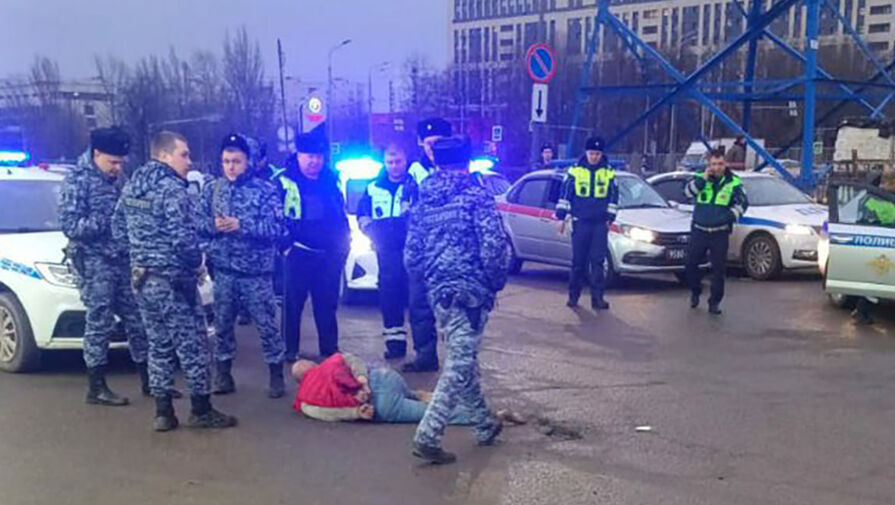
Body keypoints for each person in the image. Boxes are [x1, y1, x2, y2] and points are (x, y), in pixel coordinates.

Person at [113, 131, 237, 432]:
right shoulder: (172, 190)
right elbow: (183, 241)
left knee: (158, 345)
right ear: (164, 155)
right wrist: (197, 263)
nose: (189, 161)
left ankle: (163, 412)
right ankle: (200, 409)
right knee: (193, 344)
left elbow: (117, 231)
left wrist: (141, 254)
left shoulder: (132, 187)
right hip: (173, 281)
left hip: (143, 280)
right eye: (184, 154)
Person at [405, 136, 511, 465]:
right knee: (460, 362)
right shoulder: (477, 195)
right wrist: (495, 281)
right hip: (471, 293)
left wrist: (430, 279)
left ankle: (484, 423)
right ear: (466, 163)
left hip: (439, 292)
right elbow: (494, 247)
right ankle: (428, 434)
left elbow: (411, 256)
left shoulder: (423, 199)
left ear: (436, 163)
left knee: (462, 357)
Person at [59, 127, 148, 406]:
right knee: (100, 322)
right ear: (96, 154)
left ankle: (150, 381)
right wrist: (107, 219)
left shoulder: (119, 178)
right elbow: (71, 226)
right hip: (94, 262)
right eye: (112, 162)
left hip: (122, 260)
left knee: (138, 319)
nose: (117, 168)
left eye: (120, 162)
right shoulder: (77, 180)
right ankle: (96, 387)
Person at [197, 134, 286, 398]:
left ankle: (276, 374)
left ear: (248, 161)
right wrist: (213, 227)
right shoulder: (213, 189)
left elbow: (278, 229)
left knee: (267, 325)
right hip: (224, 271)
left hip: (256, 273)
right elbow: (197, 224)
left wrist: (242, 226)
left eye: (236, 161)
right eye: (226, 161)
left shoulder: (265, 191)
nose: (231, 167)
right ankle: (223, 374)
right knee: (223, 326)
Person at [277, 131, 350, 361]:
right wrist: (285, 246)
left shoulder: (331, 180)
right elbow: (274, 217)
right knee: (292, 306)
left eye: (318, 156)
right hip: (297, 254)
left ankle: (329, 350)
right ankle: (289, 350)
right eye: (309, 156)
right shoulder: (283, 181)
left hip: (328, 256)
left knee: (326, 305)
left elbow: (339, 215)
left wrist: (343, 246)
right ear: (298, 155)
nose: (314, 161)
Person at [291, 353, 523, 425]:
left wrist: (355, 413)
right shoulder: (331, 362)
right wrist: (363, 381)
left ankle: (491, 416)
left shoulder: (305, 399)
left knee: (437, 415)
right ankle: (422, 395)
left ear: (300, 381)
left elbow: (325, 413)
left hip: (381, 405)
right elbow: (353, 361)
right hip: (387, 378)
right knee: (416, 397)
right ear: (313, 365)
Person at [356, 144, 416, 360]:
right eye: (390, 162)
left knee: (415, 301)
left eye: (398, 161)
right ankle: (394, 345)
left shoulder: (414, 187)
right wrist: (374, 234)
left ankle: (422, 349)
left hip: (411, 251)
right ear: (384, 163)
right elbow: (362, 215)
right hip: (386, 253)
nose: (394, 166)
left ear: (405, 161)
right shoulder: (373, 188)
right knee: (389, 298)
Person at [402, 118, 452, 373]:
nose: (432, 148)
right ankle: (425, 355)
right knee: (420, 307)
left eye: (438, 142)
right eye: (428, 143)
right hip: (423, 251)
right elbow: (406, 209)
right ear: (421, 144)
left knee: (454, 310)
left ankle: (457, 360)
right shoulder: (414, 172)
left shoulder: (458, 168)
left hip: (451, 251)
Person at [554, 136, 618, 310]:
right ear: (586, 153)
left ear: (601, 154)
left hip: (599, 224)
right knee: (578, 263)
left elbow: (613, 197)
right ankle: (573, 296)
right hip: (580, 222)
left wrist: (610, 219)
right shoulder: (575, 171)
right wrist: (560, 218)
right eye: (591, 153)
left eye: (597, 154)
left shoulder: (609, 172)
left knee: (597, 262)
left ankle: (597, 299)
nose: (594, 157)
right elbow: (565, 195)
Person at [683, 148, 749, 315]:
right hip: (699, 230)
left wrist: (728, 217)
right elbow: (687, 193)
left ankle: (714, 303)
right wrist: (703, 180)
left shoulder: (733, 182)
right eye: (713, 164)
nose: (717, 167)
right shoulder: (699, 177)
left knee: (718, 270)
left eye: (720, 164)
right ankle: (695, 291)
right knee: (690, 264)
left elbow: (743, 203)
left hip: (720, 232)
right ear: (708, 164)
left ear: (725, 164)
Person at [852, 169, 895, 324]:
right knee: (877, 280)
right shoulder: (878, 199)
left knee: (877, 280)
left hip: (881, 241)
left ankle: (861, 311)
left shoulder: (874, 197)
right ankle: (862, 312)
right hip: (879, 243)